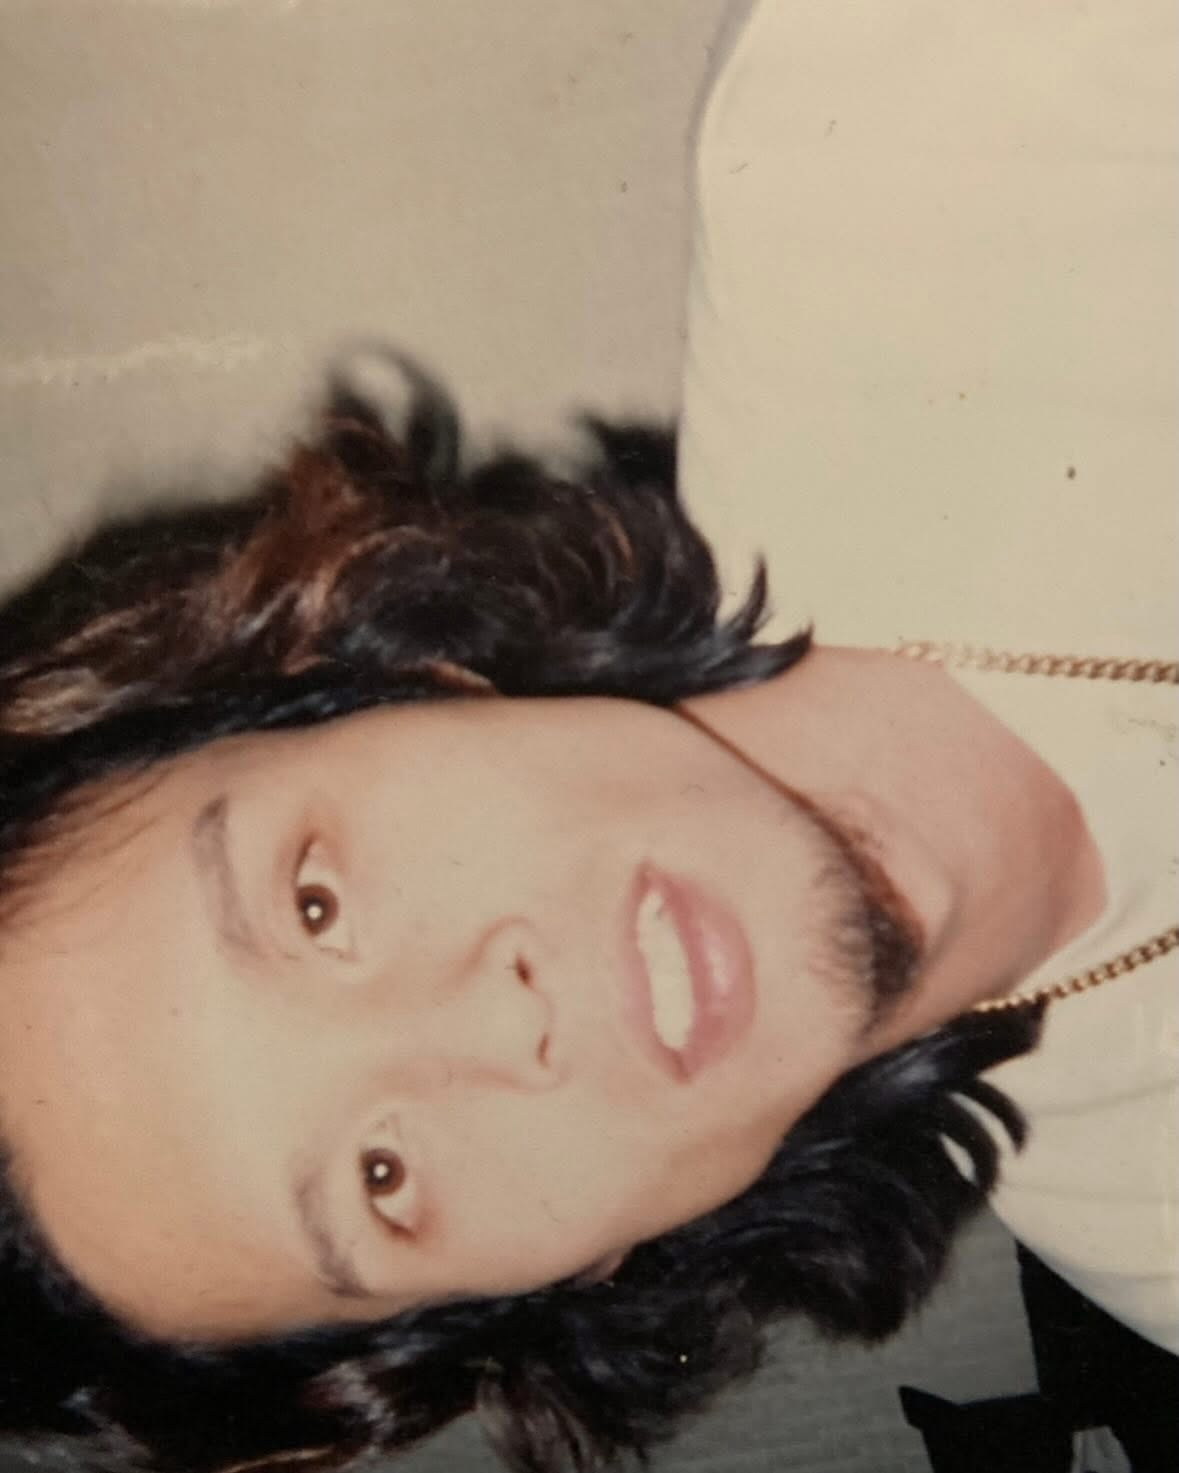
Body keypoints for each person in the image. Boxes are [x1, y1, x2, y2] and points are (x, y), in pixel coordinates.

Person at [0, 6, 1173, 1473]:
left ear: (390, 672)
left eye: (314, 902)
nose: (503, 1020)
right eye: (384, 1175)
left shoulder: (936, 138)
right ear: (555, 1282)